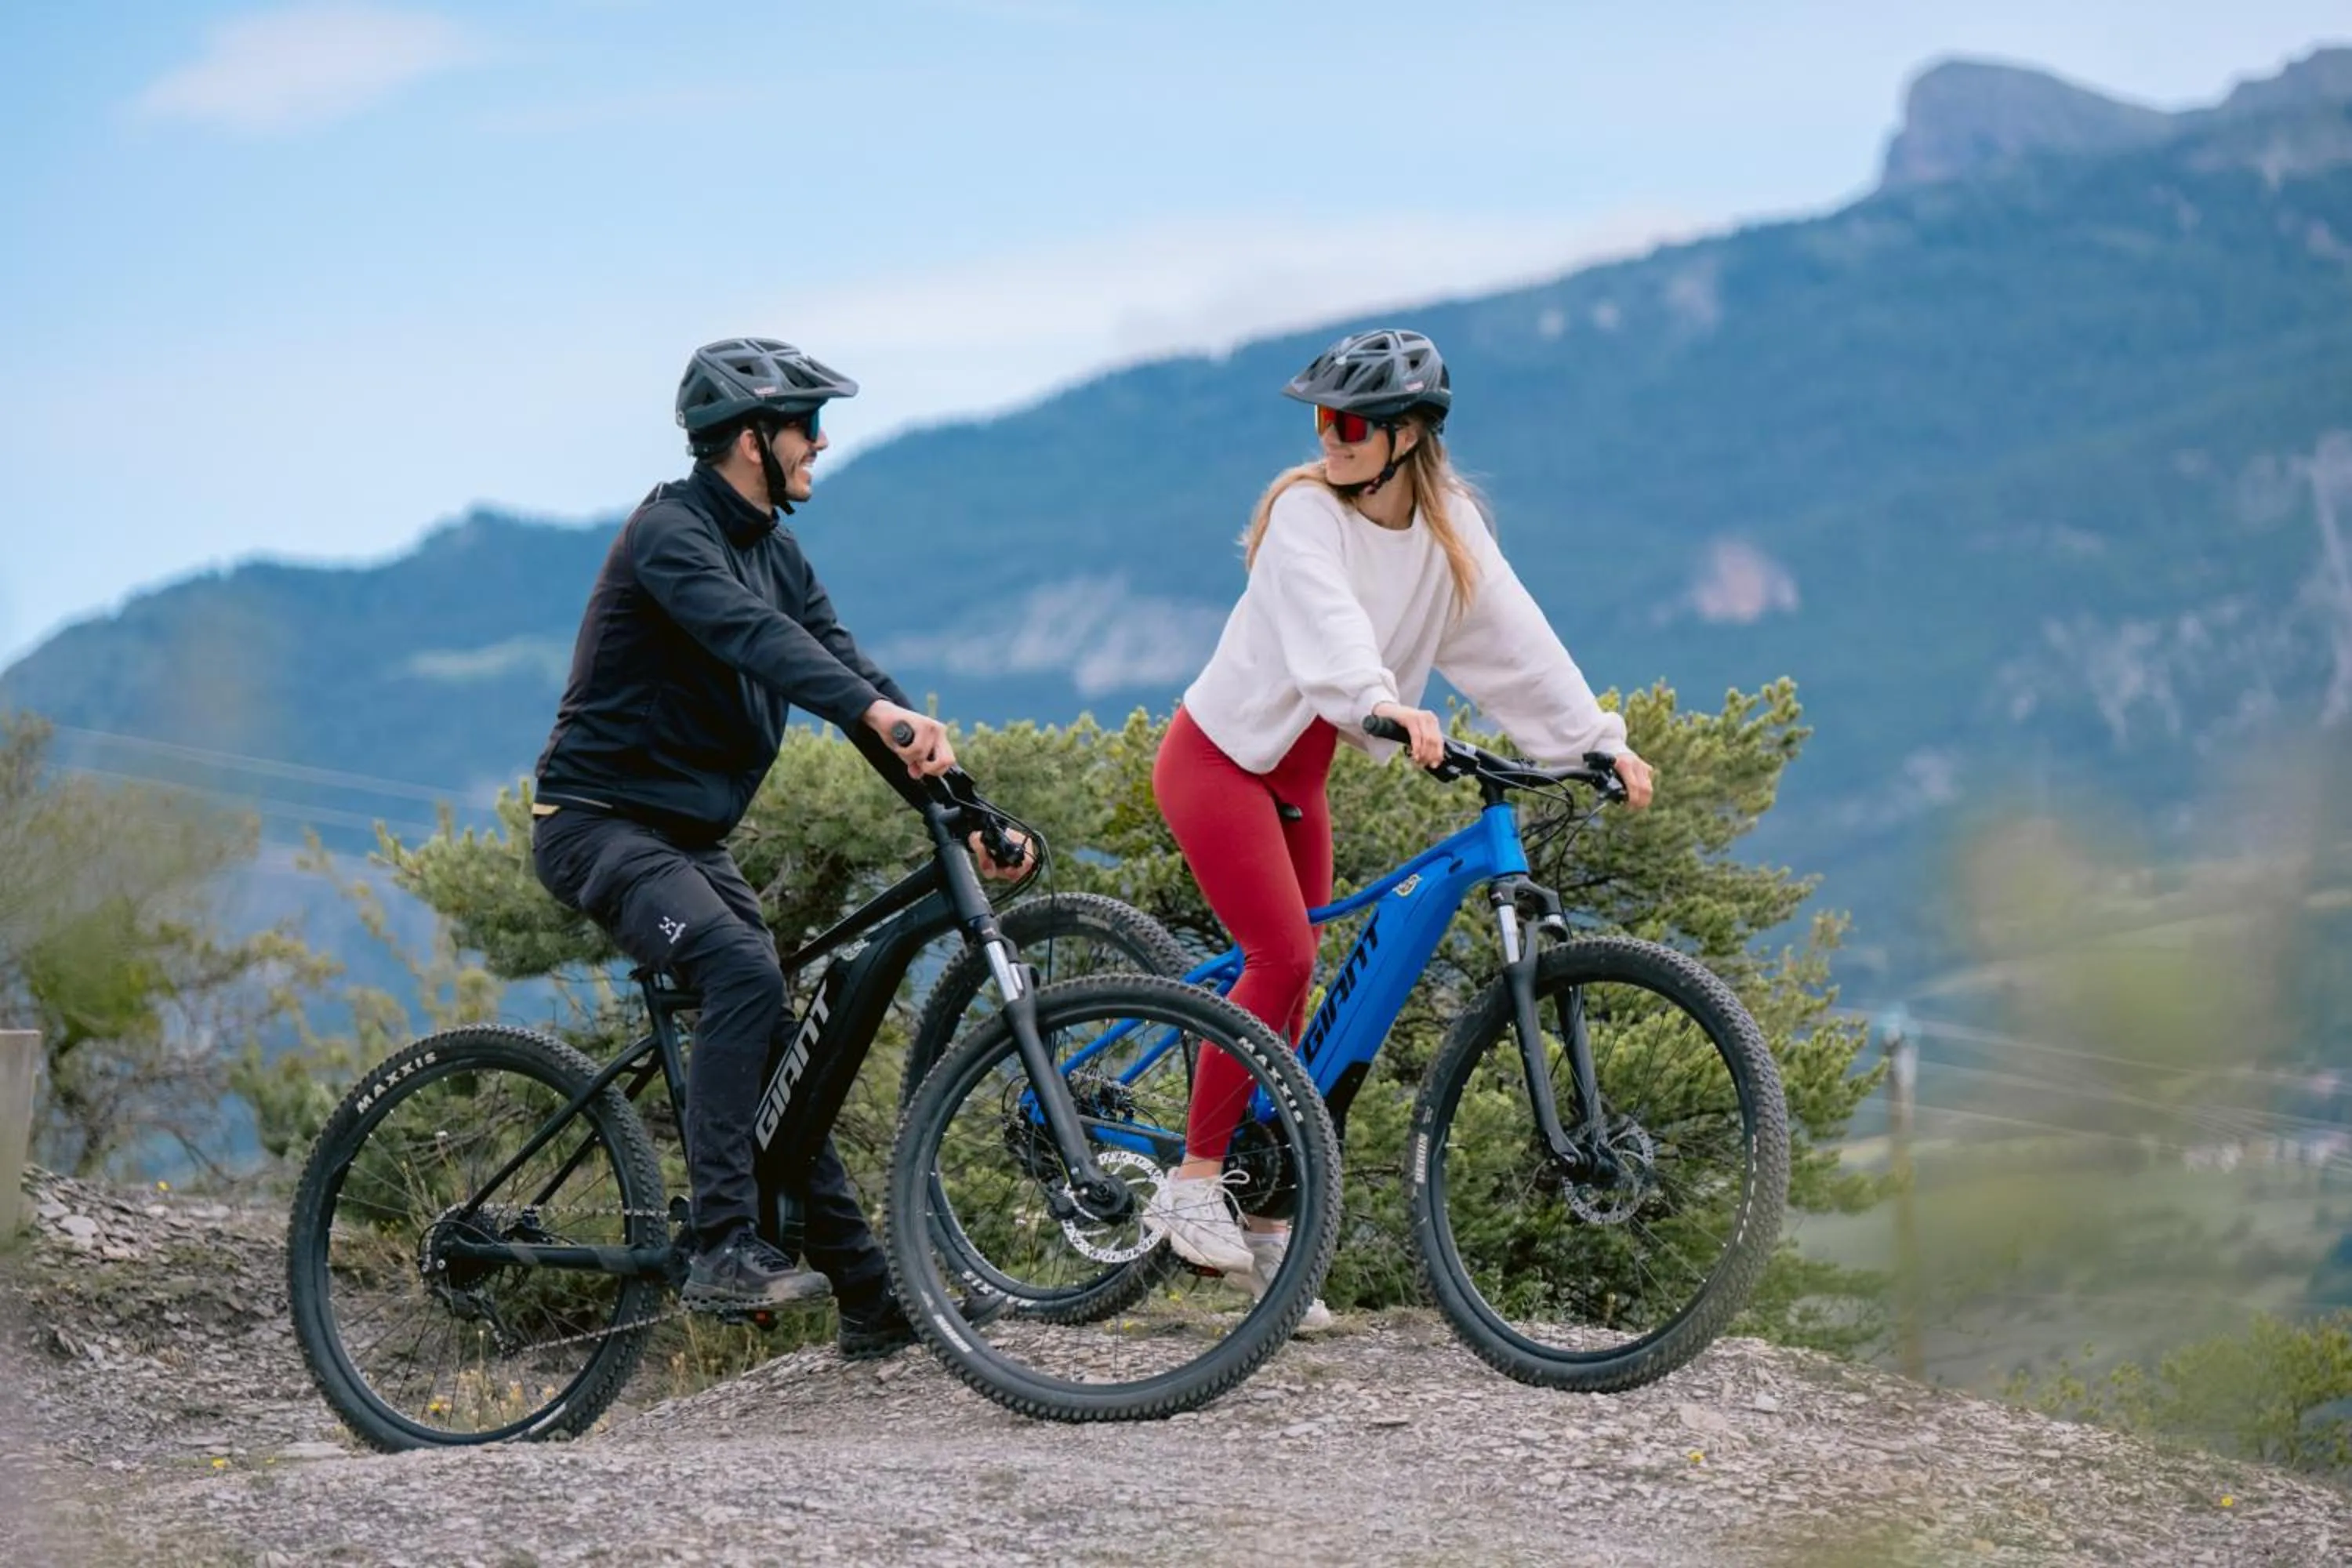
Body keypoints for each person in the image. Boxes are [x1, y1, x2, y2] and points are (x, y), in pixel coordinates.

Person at [1146, 328, 1657, 1328]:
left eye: (1349, 424)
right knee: (1283, 957)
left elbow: (1516, 641)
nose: (1328, 439)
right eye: (1322, 420)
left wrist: (1595, 742)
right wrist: (1379, 702)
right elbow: (1328, 626)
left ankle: (1268, 1232)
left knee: (1300, 999)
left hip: (1298, 780)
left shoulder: (1449, 529)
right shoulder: (1304, 513)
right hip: (1218, 760)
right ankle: (1194, 1180)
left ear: (1409, 434)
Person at [528, 337, 1023, 1357]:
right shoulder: (670, 535)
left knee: (781, 1052)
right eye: (808, 425)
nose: (821, 443)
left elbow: (847, 674)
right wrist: (873, 710)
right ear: (751, 439)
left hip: (690, 839)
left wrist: (968, 808)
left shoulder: (778, 554)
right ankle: (722, 1244)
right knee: (744, 973)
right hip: (597, 824)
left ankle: (871, 1301)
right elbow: (758, 641)